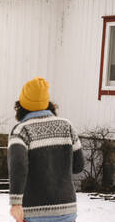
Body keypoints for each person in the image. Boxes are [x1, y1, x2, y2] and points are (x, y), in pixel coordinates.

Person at [8, 77, 84, 222]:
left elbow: (18, 165)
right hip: (67, 210)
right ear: (48, 103)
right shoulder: (66, 126)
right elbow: (78, 166)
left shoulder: (21, 130)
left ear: (21, 105)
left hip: (35, 212)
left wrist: (16, 203)